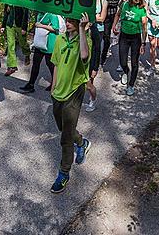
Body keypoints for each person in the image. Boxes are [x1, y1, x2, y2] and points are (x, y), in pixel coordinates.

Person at [50, 12, 92, 193]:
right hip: (58, 92)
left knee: (65, 137)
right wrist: (53, 88)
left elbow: (84, 56)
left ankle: (64, 173)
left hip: (74, 92)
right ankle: (82, 142)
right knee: (63, 127)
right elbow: (56, 64)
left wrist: (82, 29)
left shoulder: (84, 41)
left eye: (71, 21)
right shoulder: (59, 40)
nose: (67, 23)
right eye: (66, 20)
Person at [112, 0, 147, 96]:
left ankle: (131, 85)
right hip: (124, 36)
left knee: (134, 63)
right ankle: (126, 72)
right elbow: (117, 15)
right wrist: (114, 26)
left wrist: (143, 43)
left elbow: (144, 27)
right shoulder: (124, 5)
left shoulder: (141, 9)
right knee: (123, 62)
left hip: (135, 37)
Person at [19, 11, 61, 93]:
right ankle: (31, 85)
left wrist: (41, 26)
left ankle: (55, 84)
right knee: (35, 64)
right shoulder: (40, 13)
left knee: (50, 65)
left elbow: (56, 28)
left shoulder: (52, 14)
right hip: (40, 43)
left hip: (49, 44)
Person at [85, 0, 106, 112]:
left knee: (90, 79)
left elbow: (102, 18)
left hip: (97, 31)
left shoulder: (103, 1)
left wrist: (95, 67)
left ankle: (92, 99)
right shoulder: (86, 1)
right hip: (83, 52)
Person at [100, 0, 121, 66]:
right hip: (99, 13)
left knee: (106, 36)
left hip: (109, 14)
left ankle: (103, 56)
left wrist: (106, 3)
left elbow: (116, 1)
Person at [0, 4, 30, 76]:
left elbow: (26, 13)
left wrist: (24, 28)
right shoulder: (8, 0)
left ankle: (27, 53)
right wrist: (3, 25)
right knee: (10, 45)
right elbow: (6, 13)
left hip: (20, 25)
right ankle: (12, 66)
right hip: (9, 25)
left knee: (22, 43)